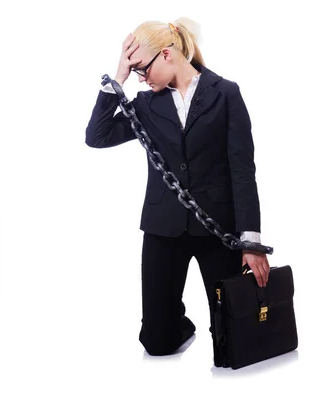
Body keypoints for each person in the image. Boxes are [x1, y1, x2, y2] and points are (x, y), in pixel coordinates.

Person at [85, 18, 270, 358]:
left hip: (218, 227)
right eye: (136, 72)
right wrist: (119, 78)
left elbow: (242, 170)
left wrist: (251, 242)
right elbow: (97, 137)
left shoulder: (225, 93)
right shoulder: (144, 104)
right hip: (162, 227)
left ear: (167, 55)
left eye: (142, 69)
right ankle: (180, 326)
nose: (142, 78)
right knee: (157, 343)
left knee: (232, 344)